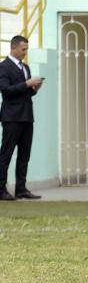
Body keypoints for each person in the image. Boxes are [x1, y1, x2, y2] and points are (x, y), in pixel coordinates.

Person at [0, 35, 42, 202]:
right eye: (23, 49)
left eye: (26, 49)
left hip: (26, 116)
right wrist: (26, 84)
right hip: (11, 118)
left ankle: (21, 189)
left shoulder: (25, 67)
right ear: (14, 48)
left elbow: (26, 93)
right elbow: (6, 90)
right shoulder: (3, 67)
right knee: (6, 154)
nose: (25, 52)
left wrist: (34, 88)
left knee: (24, 155)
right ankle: (1, 189)